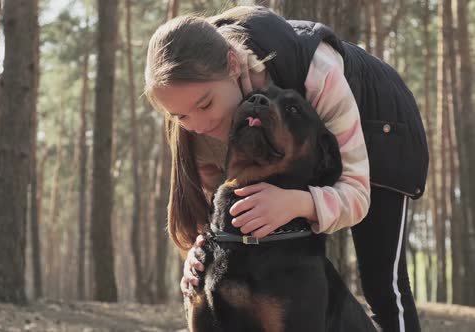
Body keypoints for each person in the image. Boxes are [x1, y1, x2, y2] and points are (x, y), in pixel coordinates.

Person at [144, 6, 428, 332]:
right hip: (291, 123)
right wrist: (200, 252)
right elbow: (211, 211)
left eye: (206, 105)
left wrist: (297, 202)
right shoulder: (190, 103)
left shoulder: (319, 73)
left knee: (382, 283)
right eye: (180, 116)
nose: (199, 124)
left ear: (233, 66)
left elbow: (357, 194)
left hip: (381, 126)